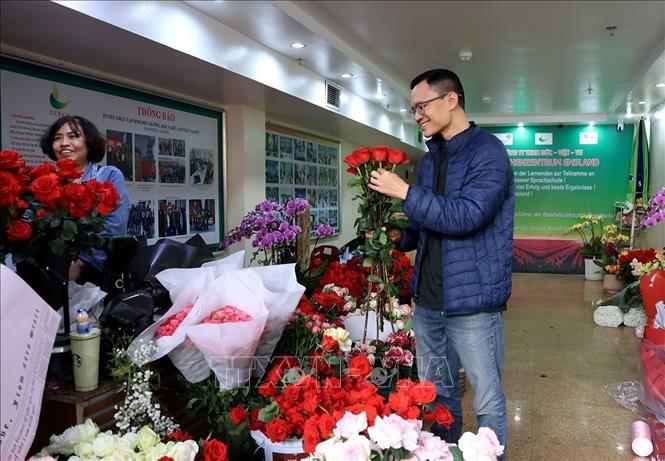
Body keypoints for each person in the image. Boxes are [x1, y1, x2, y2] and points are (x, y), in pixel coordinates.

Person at [368, 68, 514, 458]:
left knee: (487, 399)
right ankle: (444, 454)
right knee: (439, 395)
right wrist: (400, 237)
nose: (417, 114)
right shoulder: (432, 160)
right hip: (429, 303)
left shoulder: (489, 152)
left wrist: (404, 191)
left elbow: (466, 216)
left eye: (422, 105)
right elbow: (428, 224)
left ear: (451, 100)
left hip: (473, 303)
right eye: (412, 108)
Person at [41, 115, 131, 284]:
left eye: (73, 136)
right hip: (52, 272)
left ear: (89, 143)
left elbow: (114, 226)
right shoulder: (48, 182)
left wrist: (81, 263)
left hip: (95, 274)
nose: (64, 143)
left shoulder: (109, 176)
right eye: (57, 138)